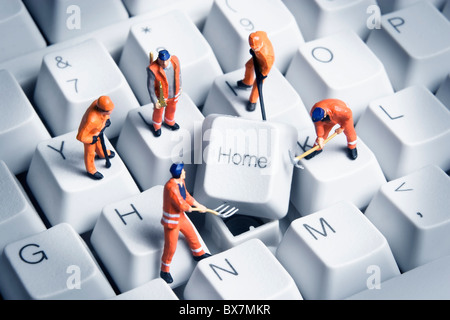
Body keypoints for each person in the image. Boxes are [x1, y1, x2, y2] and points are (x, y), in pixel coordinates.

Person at [160, 162, 210, 284]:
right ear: (179, 173)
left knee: (192, 234)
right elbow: (180, 203)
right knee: (171, 247)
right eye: (183, 171)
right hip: (172, 222)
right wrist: (192, 209)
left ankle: (198, 254)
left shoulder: (181, 183)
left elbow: (186, 196)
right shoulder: (171, 187)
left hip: (180, 217)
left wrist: (199, 205)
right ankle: (164, 270)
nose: (185, 172)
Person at [76, 96, 115, 180]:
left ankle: (102, 154)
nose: (111, 112)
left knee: (100, 144)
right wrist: (91, 139)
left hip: (97, 131)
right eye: (109, 111)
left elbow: (104, 116)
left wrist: (106, 121)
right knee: (90, 153)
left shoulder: (98, 103)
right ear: (102, 110)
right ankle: (91, 170)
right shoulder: (91, 120)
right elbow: (80, 137)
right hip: (89, 136)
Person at [236, 31, 275, 112]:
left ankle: (252, 101)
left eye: (255, 48)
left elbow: (268, 65)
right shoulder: (259, 34)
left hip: (264, 66)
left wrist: (263, 74)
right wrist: (254, 52)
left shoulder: (266, 56)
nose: (253, 48)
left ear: (260, 45)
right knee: (249, 65)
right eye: (251, 47)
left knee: (258, 83)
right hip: (257, 58)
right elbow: (265, 33)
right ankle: (247, 82)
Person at [147, 49, 181, 137]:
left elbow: (179, 75)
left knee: (172, 109)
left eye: (166, 60)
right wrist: (155, 101)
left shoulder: (175, 62)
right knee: (158, 112)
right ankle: (157, 126)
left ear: (169, 58)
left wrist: (180, 87)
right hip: (161, 96)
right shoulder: (153, 69)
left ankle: (169, 122)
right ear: (158, 59)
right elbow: (151, 87)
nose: (164, 63)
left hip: (173, 94)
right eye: (162, 61)